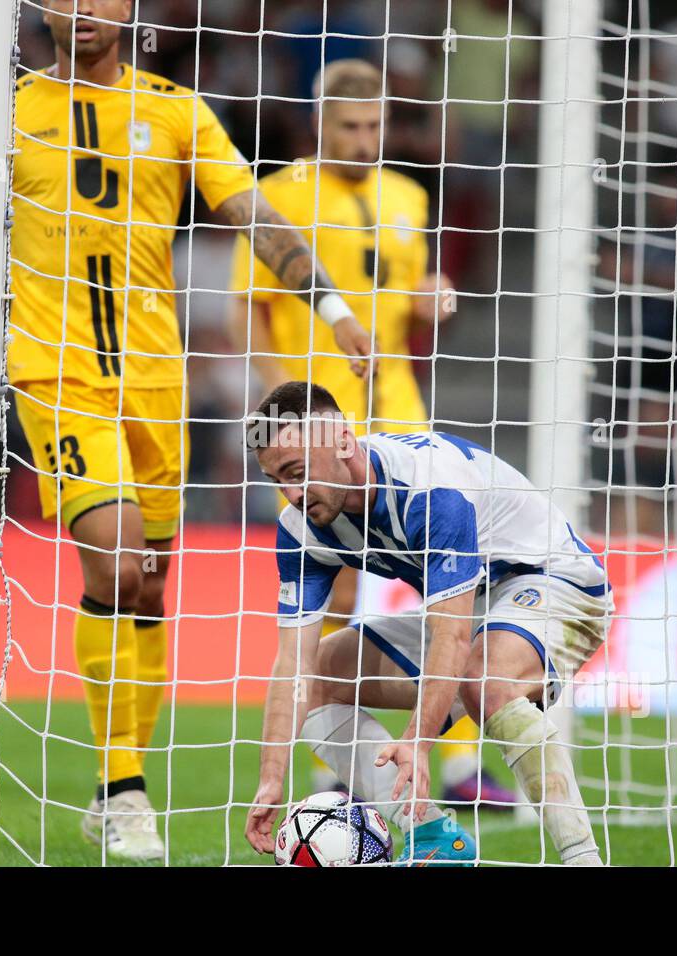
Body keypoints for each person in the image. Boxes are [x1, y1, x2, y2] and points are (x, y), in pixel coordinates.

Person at [0, 0, 372, 862]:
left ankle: (110, 787)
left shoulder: (175, 109)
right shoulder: (5, 108)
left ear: (130, 9)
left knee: (149, 590)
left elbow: (255, 219)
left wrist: (333, 304)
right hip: (57, 374)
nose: (83, 9)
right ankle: (126, 790)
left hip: (157, 383)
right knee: (116, 559)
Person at [227, 57, 516, 809]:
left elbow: (417, 311)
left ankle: (454, 763)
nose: (363, 140)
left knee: (450, 590)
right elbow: (246, 312)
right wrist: (281, 412)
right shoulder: (275, 199)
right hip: (316, 433)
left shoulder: (407, 197)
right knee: (333, 593)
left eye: (375, 126)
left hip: (398, 416)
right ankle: (334, 755)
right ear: (320, 124)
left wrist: (435, 302)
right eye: (349, 127)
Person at [244, 381, 611, 866]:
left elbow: (453, 635)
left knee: (487, 679)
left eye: (296, 472)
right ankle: (433, 835)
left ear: (344, 443)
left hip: (556, 583)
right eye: (277, 481)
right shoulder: (301, 528)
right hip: (475, 607)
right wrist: (272, 774)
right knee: (318, 683)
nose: (291, 494)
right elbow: (294, 661)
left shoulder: (431, 490)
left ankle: (582, 859)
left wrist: (418, 740)